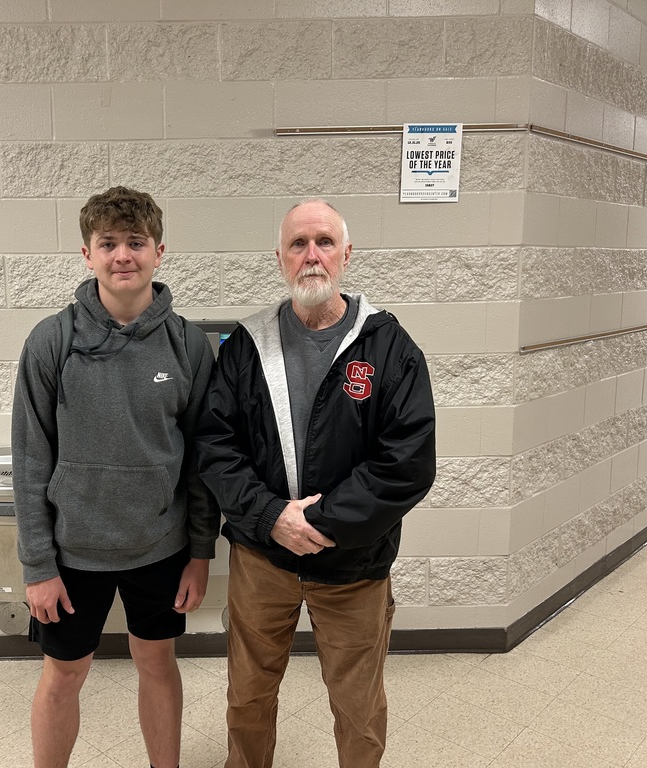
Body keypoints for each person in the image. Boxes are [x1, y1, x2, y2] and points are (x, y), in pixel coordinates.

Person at [195, 198, 436, 768]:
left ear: (346, 254)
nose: (312, 256)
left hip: (353, 564)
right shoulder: (245, 348)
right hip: (263, 558)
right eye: (298, 245)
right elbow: (215, 446)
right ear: (279, 258)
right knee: (248, 695)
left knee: (358, 707)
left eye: (324, 242)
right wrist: (272, 517)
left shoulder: (390, 348)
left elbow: (406, 462)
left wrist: (320, 524)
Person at [11, 186, 219, 768]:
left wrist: (200, 552)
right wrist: (38, 566)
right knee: (64, 674)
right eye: (109, 244)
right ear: (87, 254)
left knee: (157, 663)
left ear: (159, 251)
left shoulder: (188, 347)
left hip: (161, 548)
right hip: (74, 555)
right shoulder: (52, 342)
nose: (122, 255)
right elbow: (30, 461)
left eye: (135, 242)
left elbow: (204, 461)